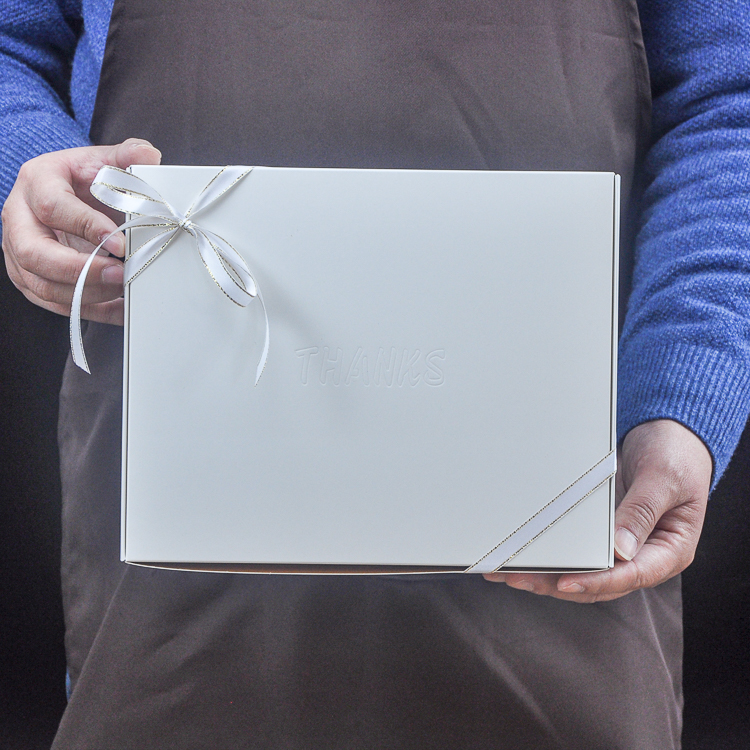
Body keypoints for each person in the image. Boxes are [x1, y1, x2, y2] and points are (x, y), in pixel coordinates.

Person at [1, 0, 748, 747]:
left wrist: (682, 388)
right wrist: (31, 169)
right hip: (178, 485)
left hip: (571, 483)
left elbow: (725, 100)